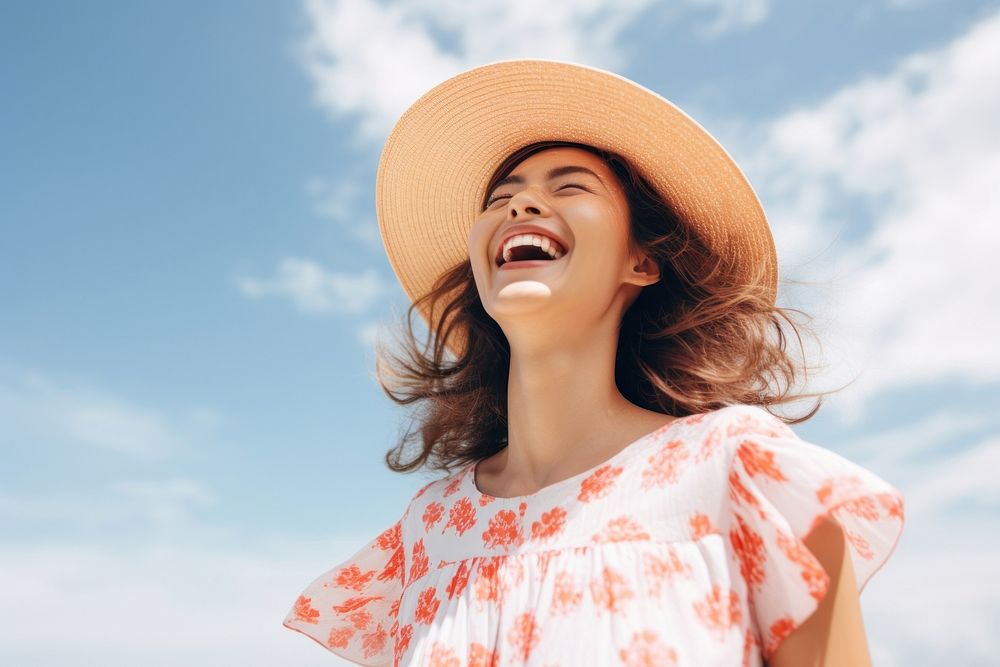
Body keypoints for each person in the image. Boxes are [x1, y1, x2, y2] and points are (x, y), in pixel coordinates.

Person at [282, 59, 905, 666]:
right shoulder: (428, 529)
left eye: (569, 186)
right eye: (501, 197)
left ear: (642, 261)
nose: (519, 207)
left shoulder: (747, 472)